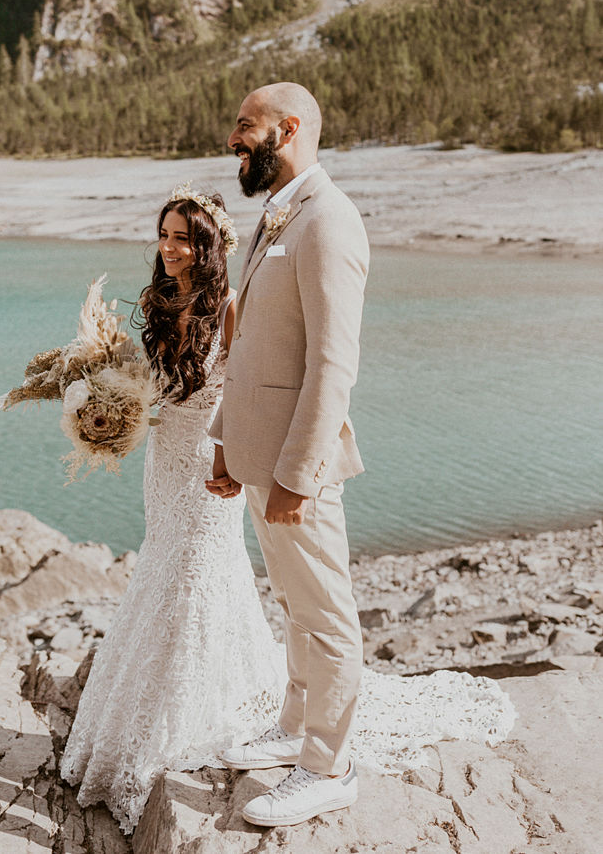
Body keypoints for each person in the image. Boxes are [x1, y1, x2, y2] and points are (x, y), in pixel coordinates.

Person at [205, 82, 514, 828]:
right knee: (294, 605)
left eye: (245, 127)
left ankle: (328, 766)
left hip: (292, 470)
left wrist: (296, 475)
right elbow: (249, 351)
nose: (233, 141)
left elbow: (333, 365)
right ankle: (292, 729)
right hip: (257, 460)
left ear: (289, 127)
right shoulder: (274, 217)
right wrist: (226, 446)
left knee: (328, 616)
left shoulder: (329, 221)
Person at [59, 185, 288, 833]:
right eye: (164, 235)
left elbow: (246, 389)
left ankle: (185, 717)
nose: (170, 248)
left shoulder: (233, 307)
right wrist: (104, 406)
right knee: (164, 571)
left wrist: (232, 460)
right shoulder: (159, 302)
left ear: (209, 247)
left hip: (212, 462)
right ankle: (141, 706)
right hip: (165, 463)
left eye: (184, 238)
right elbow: (146, 390)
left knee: (199, 573)